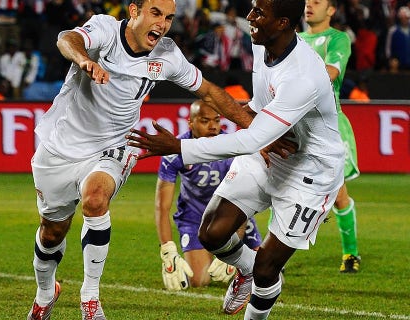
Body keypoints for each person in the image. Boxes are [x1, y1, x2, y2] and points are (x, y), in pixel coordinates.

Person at [25, 0, 258, 319]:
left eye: (169, 18)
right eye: (156, 14)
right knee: (52, 232)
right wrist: (83, 60)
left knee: (95, 200)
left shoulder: (167, 55)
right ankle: (45, 291)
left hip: (115, 145)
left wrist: (257, 130)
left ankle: (90, 298)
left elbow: (208, 92)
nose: (162, 24)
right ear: (134, 12)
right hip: (61, 145)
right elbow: (67, 38)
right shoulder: (106, 30)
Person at [126, 0, 344, 317]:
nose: (250, 17)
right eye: (252, 9)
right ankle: (247, 271)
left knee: (269, 268)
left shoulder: (303, 76)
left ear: (283, 22)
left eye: (259, 13)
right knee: (212, 232)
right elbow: (258, 106)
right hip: (271, 155)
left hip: (310, 174)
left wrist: (180, 148)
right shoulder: (261, 43)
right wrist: (258, 123)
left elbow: (253, 139)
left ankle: (258, 291)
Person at [155, 101, 262, 289]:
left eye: (216, 120)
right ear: (190, 123)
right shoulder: (176, 150)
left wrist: (233, 243)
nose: (213, 126)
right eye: (205, 121)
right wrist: (167, 249)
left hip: (232, 215)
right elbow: (161, 207)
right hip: (193, 218)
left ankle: (242, 261)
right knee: (199, 280)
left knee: (264, 274)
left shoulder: (234, 148)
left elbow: (243, 196)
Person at [299, 0, 362, 273]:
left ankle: (351, 254)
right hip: (296, 125)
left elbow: (331, 73)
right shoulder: (294, 40)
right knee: (280, 189)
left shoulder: (338, 39)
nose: (308, 5)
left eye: (317, 1)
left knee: (338, 195)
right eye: (306, 1)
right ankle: (272, 257)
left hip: (328, 125)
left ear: (332, 10)